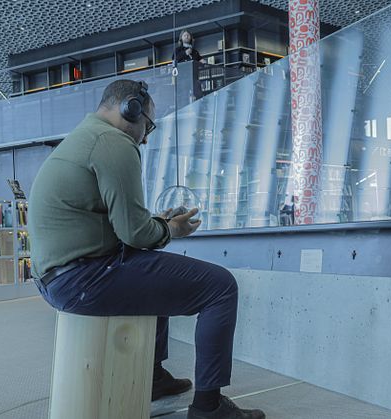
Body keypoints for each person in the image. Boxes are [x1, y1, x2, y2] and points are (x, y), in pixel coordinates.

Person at [28, 79, 264, 419]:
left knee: (157, 270)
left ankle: (152, 378)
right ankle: (209, 408)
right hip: (83, 281)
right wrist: (171, 229)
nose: (148, 136)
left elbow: (117, 223)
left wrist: (157, 223)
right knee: (220, 287)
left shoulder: (86, 137)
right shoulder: (114, 142)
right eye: (149, 126)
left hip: (60, 277)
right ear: (131, 109)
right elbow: (136, 234)